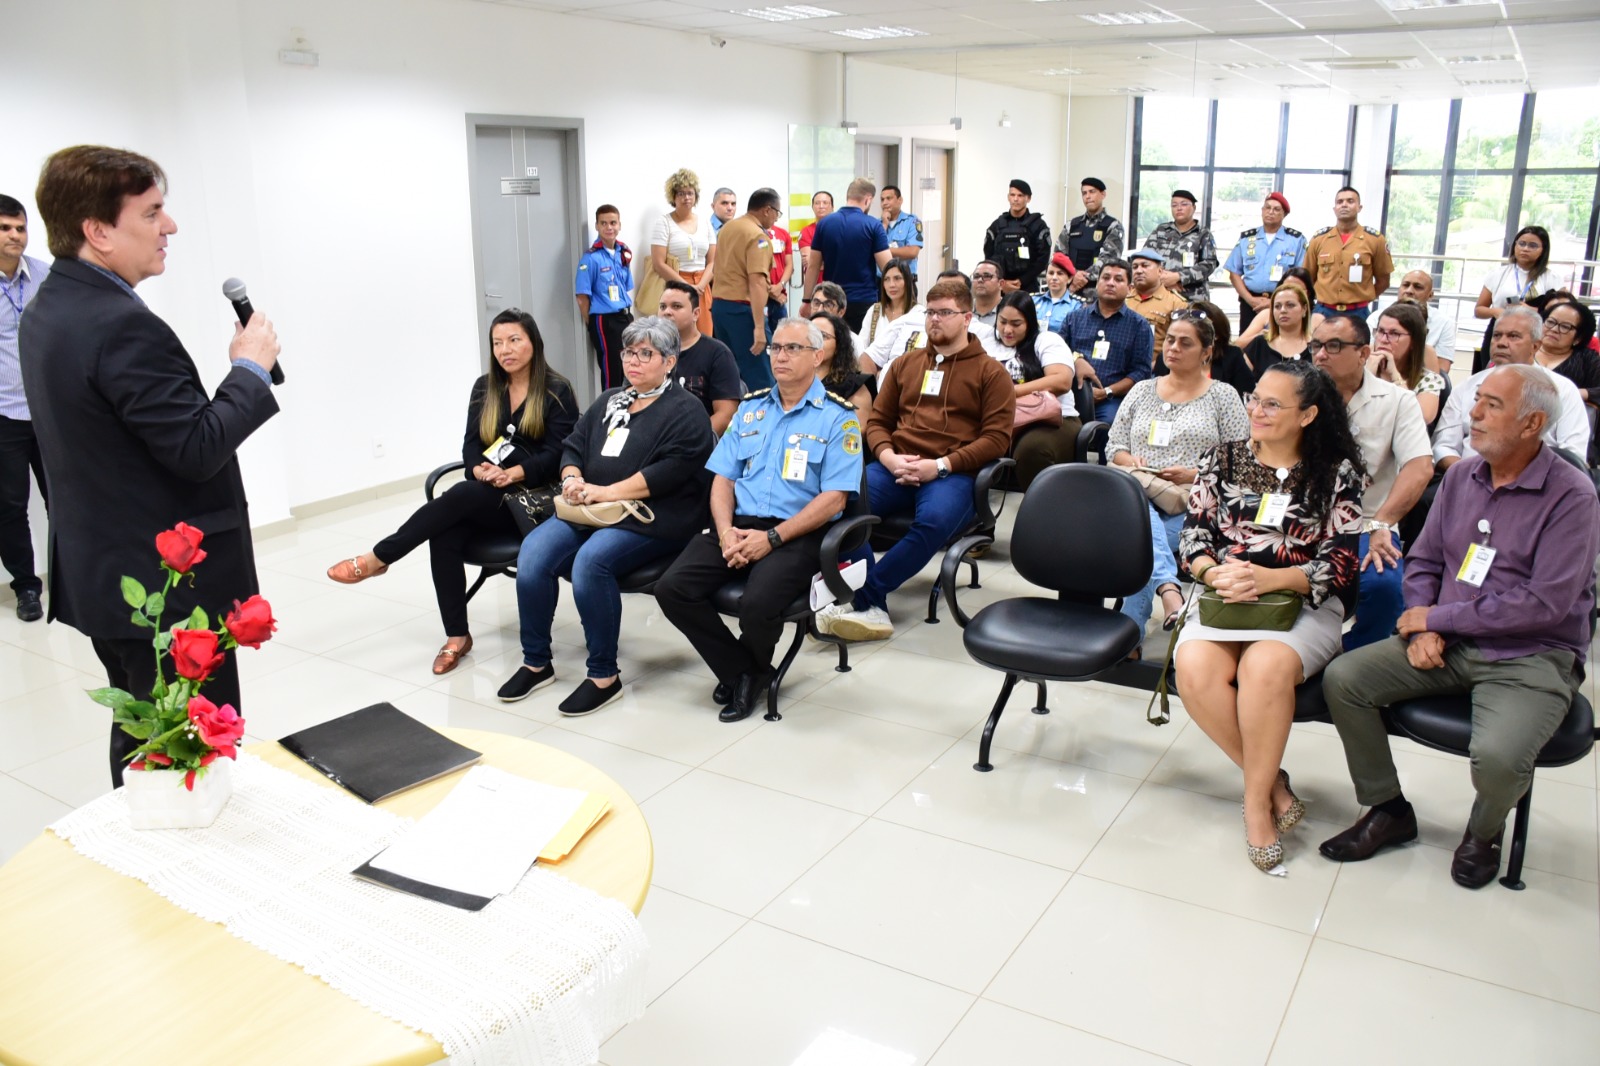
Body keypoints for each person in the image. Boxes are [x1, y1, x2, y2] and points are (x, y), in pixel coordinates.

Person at [20, 145, 280, 787]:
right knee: (187, 744)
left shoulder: (49, 306)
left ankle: (144, 847)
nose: (170, 227)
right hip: (165, 587)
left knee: (144, 729)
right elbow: (195, 449)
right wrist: (248, 368)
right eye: (153, 212)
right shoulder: (120, 326)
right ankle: (185, 866)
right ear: (99, 230)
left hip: (106, 568)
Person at [1318, 365, 1599, 888]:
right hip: (1448, 638)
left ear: (1533, 422)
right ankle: (1388, 809)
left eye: (1492, 405)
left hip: (1532, 653)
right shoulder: (1462, 478)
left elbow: (1545, 603)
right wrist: (1425, 630)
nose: (1473, 413)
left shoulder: (1573, 496)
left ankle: (1483, 833)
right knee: (1344, 680)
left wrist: (1437, 618)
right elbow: (1424, 562)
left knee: (1498, 756)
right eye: (1478, 401)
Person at [1174, 359, 1366, 874]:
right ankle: (1273, 784)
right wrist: (1214, 574)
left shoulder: (1337, 473)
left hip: (1301, 603)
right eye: (1254, 397)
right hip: (1226, 598)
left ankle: (1255, 805)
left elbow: (1341, 564)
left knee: (1263, 668)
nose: (1256, 410)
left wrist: (1271, 579)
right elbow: (1192, 536)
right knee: (1194, 670)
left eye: (1272, 404)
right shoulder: (1221, 458)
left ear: (1307, 416)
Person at [326, 309, 578, 674]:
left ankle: (380, 557)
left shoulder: (557, 390)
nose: (505, 350)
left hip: (533, 502)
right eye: (497, 343)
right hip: (489, 496)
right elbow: (471, 445)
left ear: (533, 343)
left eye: (514, 340)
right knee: (445, 530)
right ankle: (457, 636)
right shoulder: (485, 387)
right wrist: (479, 468)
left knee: (460, 496)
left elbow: (561, 451)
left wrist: (514, 473)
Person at [497, 316, 714, 716]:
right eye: (628, 352)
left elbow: (671, 471)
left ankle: (602, 675)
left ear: (669, 361)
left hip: (652, 517)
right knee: (533, 554)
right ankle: (536, 662)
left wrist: (605, 492)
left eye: (645, 353)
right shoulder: (612, 399)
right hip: (591, 509)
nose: (633, 361)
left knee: (591, 563)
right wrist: (572, 478)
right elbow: (573, 446)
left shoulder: (687, 410)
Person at [655, 318, 863, 723]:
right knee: (672, 588)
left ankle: (744, 674)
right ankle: (746, 671)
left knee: (757, 604)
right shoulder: (751, 408)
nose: (780, 356)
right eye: (775, 348)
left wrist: (771, 538)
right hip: (737, 523)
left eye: (793, 348)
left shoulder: (839, 417)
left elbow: (834, 498)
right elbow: (722, 479)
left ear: (818, 356)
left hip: (797, 530)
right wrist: (725, 531)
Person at [816, 278, 1014, 642]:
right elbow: (877, 422)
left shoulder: (991, 373)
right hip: (896, 464)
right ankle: (866, 601)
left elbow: (997, 439)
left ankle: (865, 596)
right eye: (930, 313)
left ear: (967, 318)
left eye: (945, 313)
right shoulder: (906, 365)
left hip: (952, 472)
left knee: (933, 521)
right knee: (843, 502)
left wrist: (939, 466)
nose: (935, 320)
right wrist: (888, 456)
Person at [1107, 310, 1249, 640]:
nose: (1173, 348)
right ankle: (1168, 593)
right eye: (1170, 340)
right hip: (1135, 491)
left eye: (1185, 343)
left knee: (1140, 537)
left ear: (1206, 352)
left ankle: (1131, 633)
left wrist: (1194, 474)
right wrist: (1132, 461)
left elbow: (1240, 460)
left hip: (1192, 501)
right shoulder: (1143, 389)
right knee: (1142, 521)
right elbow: (1114, 445)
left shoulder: (1222, 396)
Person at [1308, 313, 1433, 650]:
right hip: (1302, 518)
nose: (1320, 355)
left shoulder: (1397, 401)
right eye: (1316, 345)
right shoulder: (1300, 395)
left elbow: (1420, 467)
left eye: (1333, 346)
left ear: (1364, 353)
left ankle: (1355, 660)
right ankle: (1297, 648)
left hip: (1367, 522)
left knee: (1383, 584)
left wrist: (1383, 522)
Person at [1433, 305, 1589, 472]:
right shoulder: (1466, 387)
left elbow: (1573, 454)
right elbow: (1443, 445)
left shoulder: (1561, 390)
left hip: (1536, 487)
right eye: (1497, 336)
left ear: (1535, 346)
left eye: (1513, 336)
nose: (1502, 343)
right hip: (1467, 480)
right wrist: (1468, 475)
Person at [0, 194, 48, 622]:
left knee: (67, 498)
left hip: (51, 411)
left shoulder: (45, 277)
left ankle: (76, 574)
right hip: (4, 415)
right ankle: (27, 588)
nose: (16, 235)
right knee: (10, 508)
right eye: (5, 228)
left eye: (20, 227)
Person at [987, 292, 1080, 488]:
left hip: (1050, 419)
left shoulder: (1046, 340)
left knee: (1033, 450)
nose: (1007, 330)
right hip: (997, 418)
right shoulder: (987, 341)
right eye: (1002, 321)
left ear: (1030, 322)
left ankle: (1041, 513)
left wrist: (1008, 393)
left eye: (1016, 324)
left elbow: (1062, 381)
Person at [1061, 259, 1154, 424]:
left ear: (1130, 289)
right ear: (1097, 284)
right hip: (1071, 394)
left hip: (1112, 399)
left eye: (1118, 280)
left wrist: (1107, 392)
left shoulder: (1139, 326)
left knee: (1109, 426)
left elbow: (1141, 372)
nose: (1110, 283)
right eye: (1105, 278)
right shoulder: (1074, 318)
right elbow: (1057, 351)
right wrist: (1076, 359)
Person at [711, 188, 781, 392]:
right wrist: (759, 328)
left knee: (731, 376)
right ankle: (763, 422)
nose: (776, 218)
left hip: (720, 308)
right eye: (777, 213)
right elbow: (757, 281)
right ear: (767, 210)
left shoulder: (728, 228)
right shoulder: (758, 237)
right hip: (743, 312)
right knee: (760, 377)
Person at [803, 177, 891, 333]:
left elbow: (813, 266)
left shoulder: (824, 224)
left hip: (831, 300)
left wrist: (806, 300)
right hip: (863, 301)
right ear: (868, 199)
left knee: (832, 346)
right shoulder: (873, 225)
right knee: (861, 349)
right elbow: (888, 267)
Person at [658, 280, 741, 434]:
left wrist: (693, 442)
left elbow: (726, 414)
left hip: (697, 442)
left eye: (676, 306)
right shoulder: (648, 352)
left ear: (696, 313)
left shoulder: (718, 354)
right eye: (663, 306)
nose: (667, 312)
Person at [1304, 187, 1392, 319]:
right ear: (1334, 209)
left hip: (1358, 313)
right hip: (1323, 311)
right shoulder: (1319, 239)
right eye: (1340, 202)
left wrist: (1364, 299)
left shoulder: (1375, 240)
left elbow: (1383, 281)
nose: (1344, 205)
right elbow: (1307, 278)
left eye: (1350, 201)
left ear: (1359, 207)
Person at [1225, 192, 1306, 332]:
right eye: (1267, 208)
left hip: (1283, 304)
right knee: (1248, 345)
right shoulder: (1246, 239)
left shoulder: (1296, 240)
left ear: (1284, 214)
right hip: (1250, 303)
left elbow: (1300, 277)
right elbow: (1234, 273)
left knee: (1279, 344)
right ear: (1262, 211)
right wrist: (1250, 299)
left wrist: (1274, 301)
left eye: (1276, 209)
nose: (1270, 212)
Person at [574, 203, 634, 391]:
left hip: (625, 316)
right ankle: (609, 413)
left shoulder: (623, 252)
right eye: (604, 223)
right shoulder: (591, 258)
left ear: (619, 225)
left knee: (630, 366)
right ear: (597, 226)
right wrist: (591, 322)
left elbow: (626, 286)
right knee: (612, 371)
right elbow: (582, 297)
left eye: (613, 223)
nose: (609, 227)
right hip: (604, 320)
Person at [648, 169, 715, 337]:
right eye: (681, 193)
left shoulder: (706, 223)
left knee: (704, 335)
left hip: (702, 284)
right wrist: (686, 286)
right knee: (676, 336)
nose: (686, 198)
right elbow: (658, 263)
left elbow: (714, 261)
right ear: (673, 196)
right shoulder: (664, 223)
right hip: (676, 283)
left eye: (690, 193)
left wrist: (700, 286)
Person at [1216, 281, 1311, 397]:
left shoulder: (1315, 347)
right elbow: (1237, 379)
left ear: (1304, 309)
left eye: (1290, 305)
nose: (1283, 310)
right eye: (1277, 306)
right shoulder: (1260, 343)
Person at [1369, 302, 1448, 430]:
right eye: (1381, 331)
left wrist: (1395, 376)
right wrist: (1367, 376)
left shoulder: (1428, 380)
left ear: (1414, 341)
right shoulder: (1360, 368)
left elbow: (1422, 417)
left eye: (1394, 334)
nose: (1383, 339)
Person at [1142, 189, 1218, 303]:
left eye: (1184, 204)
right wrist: (1163, 280)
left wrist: (1179, 277)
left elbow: (1209, 264)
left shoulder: (1203, 234)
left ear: (1193, 207)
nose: (1179, 208)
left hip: (1192, 299)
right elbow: (1145, 258)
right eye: (1174, 205)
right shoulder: (1161, 230)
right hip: (1160, 295)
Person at [1056, 177, 1124, 298]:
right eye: (1084, 193)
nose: (1087, 196)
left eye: (1092, 192)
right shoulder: (1071, 225)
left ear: (1103, 194)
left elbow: (1109, 260)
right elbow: (1058, 256)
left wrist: (1082, 277)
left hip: (1098, 292)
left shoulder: (1113, 226)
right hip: (1070, 289)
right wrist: (1073, 275)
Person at [982, 179, 1053, 295]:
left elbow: (1042, 259)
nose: (1015, 199)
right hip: (1001, 287)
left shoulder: (1038, 225)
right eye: (1012, 195)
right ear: (1008, 197)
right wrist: (1002, 282)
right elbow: (989, 256)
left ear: (1028, 198)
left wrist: (1021, 281)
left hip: (1028, 287)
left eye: (1020, 195)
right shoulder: (997, 225)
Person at [1125, 247, 1187, 362]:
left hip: (1154, 370)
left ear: (1160, 271)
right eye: (1135, 267)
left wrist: (1158, 366)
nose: (1139, 270)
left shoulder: (1176, 303)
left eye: (1145, 265)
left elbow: (1181, 344)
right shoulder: (1123, 299)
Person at [810, 310, 873, 421]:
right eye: (810, 335)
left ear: (839, 345)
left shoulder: (854, 386)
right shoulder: (793, 379)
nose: (815, 341)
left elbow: (858, 430)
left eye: (823, 336)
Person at [1536, 296, 1600, 403]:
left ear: (1579, 338)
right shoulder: (1525, 348)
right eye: (1551, 322)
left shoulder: (1586, 359)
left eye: (1565, 327)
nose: (1554, 329)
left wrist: (1573, 393)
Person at [1237, 265, 1321, 346]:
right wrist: (1260, 337)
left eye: (1297, 289)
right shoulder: (1266, 314)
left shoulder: (1317, 318)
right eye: (1286, 288)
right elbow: (1238, 344)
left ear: (1308, 293)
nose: (1290, 292)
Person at [1393, 269, 1457, 373]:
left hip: (1421, 382)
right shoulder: (1377, 317)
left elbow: (1442, 369)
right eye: (1405, 285)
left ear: (1430, 295)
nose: (1409, 291)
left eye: (1417, 287)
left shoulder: (1444, 323)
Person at [860, 261, 919, 346]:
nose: (891, 285)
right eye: (886, 279)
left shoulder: (918, 313)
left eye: (897, 278)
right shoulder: (874, 311)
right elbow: (861, 346)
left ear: (907, 281)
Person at [880, 184, 923, 278]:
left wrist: (883, 251)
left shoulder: (912, 221)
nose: (885, 203)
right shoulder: (877, 224)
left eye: (889, 198)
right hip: (881, 279)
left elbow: (912, 252)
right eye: (882, 200)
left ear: (900, 200)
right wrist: (884, 224)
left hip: (905, 278)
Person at [1034, 252, 1079, 332]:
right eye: (1051, 273)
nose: (1054, 277)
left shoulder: (1077, 306)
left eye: (1060, 273)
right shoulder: (1034, 300)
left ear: (1069, 279)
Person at [765, 209, 793, 338]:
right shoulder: (754, 233)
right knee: (764, 341)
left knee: (783, 338)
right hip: (761, 298)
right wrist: (771, 292)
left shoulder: (783, 234)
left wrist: (780, 286)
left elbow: (789, 265)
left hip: (780, 297)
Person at [797, 190, 833, 280]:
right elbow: (810, 263)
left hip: (837, 286)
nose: (821, 206)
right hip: (815, 286)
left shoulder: (840, 229)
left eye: (825, 203)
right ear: (812, 207)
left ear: (832, 207)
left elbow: (845, 261)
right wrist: (832, 261)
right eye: (817, 203)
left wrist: (819, 261)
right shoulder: (806, 231)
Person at [970, 260, 1003, 327]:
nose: (980, 280)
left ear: (1001, 284)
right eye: (976, 276)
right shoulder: (962, 310)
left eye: (987, 276)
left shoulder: (1009, 311)